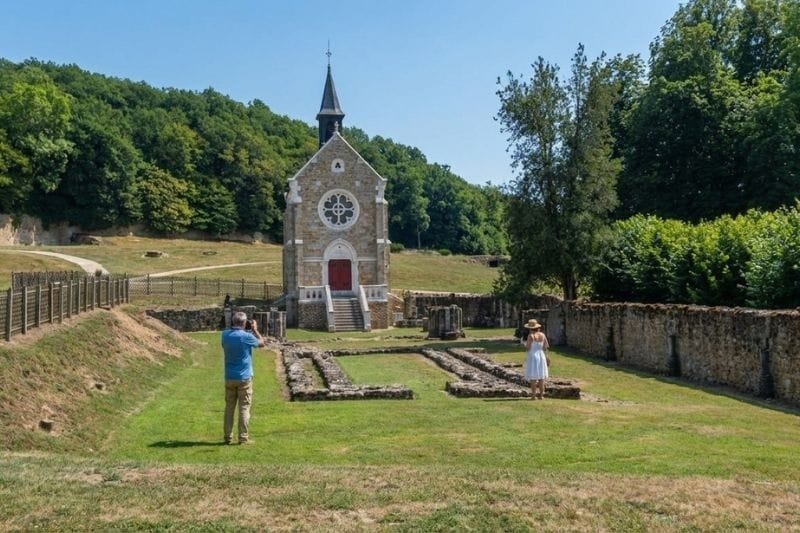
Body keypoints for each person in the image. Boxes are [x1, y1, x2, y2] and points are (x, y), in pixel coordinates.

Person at [221, 311, 266, 444]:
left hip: (229, 376)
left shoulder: (224, 335)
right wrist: (255, 330)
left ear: (233, 322)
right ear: (245, 323)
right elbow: (262, 343)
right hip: (244, 377)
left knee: (229, 407)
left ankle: (227, 437)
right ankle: (243, 437)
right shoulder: (246, 337)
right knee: (244, 408)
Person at [523, 319, 549, 400]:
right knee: (541, 377)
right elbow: (545, 347)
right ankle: (541, 395)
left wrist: (524, 344)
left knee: (533, 377)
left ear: (530, 328)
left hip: (533, 355)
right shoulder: (543, 335)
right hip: (541, 355)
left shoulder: (530, 336)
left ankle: (533, 396)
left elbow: (528, 348)